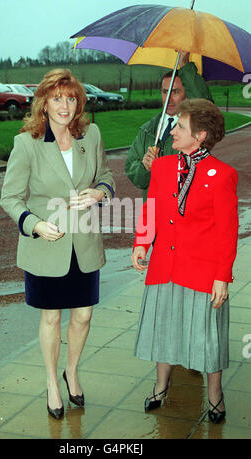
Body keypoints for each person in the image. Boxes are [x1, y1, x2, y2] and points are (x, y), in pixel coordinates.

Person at [0, 69, 115, 420]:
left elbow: (106, 177)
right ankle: (52, 383)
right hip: (46, 248)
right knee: (51, 319)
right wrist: (34, 225)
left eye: (70, 97)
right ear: (44, 103)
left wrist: (99, 192)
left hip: (84, 245)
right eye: (56, 98)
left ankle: (72, 371)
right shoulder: (27, 143)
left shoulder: (90, 134)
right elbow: (11, 197)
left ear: (78, 101)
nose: (64, 105)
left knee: (83, 315)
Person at [131, 98, 238, 424]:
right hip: (165, 266)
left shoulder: (222, 175)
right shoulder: (162, 167)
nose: (173, 131)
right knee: (164, 330)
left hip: (203, 273)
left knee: (207, 337)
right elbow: (151, 209)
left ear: (200, 135)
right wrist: (141, 243)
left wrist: (223, 276)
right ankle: (161, 386)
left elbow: (227, 231)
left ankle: (215, 395)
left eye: (180, 126)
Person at [125, 51, 213, 201]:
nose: (169, 99)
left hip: (185, 213)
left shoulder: (195, 127)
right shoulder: (148, 130)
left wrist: (185, 66)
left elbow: (206, 106)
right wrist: (145, 168)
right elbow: (134, 174)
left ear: (187, 93)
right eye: (165, 92)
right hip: (154, 215)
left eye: (176, 92)